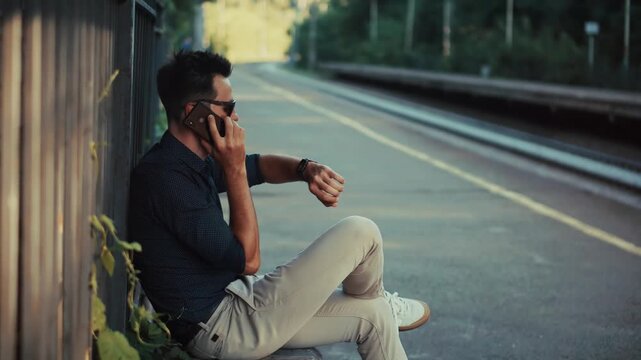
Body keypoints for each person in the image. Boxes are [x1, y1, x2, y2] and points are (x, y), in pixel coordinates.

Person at [128, 50, 430, 360]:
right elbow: (248, 261)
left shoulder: (190, 160)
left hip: (240, 304)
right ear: (195, 112)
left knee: (375, 317)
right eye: (228, 107)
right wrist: (233, 171)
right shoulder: (168, 180)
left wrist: (305, 169)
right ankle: (377, 297)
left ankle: (379, 303)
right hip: (224, 327)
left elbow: (259, 166)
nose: (235, 117)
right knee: (361, 232)